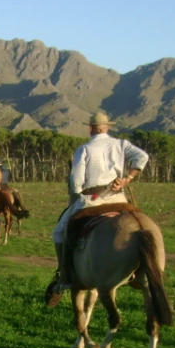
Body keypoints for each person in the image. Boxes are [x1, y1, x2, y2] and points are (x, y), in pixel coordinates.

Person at [45, 112, 150, 306]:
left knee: (59, 232)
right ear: (107, 127)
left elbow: (76, 181)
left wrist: (76, 194)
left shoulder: (84, 149)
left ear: (91, 128)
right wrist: (127, 179)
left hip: (91, 200)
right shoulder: (121, 145)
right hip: (118, 198)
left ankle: (65, 276)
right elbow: (142, 157)